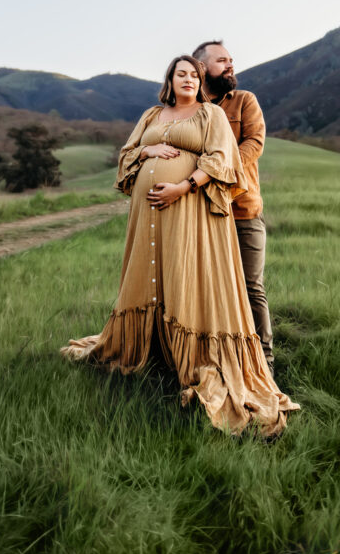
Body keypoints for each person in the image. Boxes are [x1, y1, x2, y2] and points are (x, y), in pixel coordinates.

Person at [61, 54, 299, 438]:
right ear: (169, 80)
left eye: (194, 75)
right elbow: (126, 154)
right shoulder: (152, 115)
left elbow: (223, 158)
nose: (188, 79)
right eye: (180, 74)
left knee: (184, 276)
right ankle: (154, 352)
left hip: (189, 209)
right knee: (153, 278)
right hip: (147, 216)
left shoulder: (211, 115)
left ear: (201, 82)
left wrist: (181, 187)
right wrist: (146, 152)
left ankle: (194, 358)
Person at [192, 41, 274, 374]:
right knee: (205, 289)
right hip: (199, 214)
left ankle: (265, 363)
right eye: (221, 60)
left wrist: (215, 171)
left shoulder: (244, 101)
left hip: (243, 210)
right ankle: (213, 359)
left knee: (251, 286)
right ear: (201, 68)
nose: (230, 65)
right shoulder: (190, 107)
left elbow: (254, 143)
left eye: (231, 60)